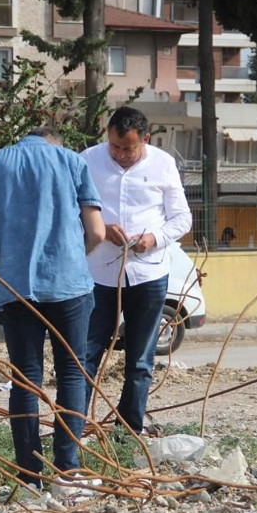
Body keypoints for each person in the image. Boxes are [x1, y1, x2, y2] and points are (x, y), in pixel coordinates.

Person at [0, 127, 105, 492]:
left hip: (13, 289)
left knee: (25, 378)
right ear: (54, 140)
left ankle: (29, 476)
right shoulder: (71, 161)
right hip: (68, 286)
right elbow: (98, 232)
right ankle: (67, 473)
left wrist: (3, 265)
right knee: (72, 374)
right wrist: (71, 259)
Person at [81, 106, 192, 435]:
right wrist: (100, 227)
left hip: (148, 274)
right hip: (98, 273)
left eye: (129, 148)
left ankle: (129, 430)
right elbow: (72, 210)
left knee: (140, 359)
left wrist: (154, 239)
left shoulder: (164, 164)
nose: (121, 155)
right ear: (107, 135)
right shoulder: (87, 159)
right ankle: (74, 426)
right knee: (86, 353)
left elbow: (181, 218)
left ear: (145, 139)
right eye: (115, 146)